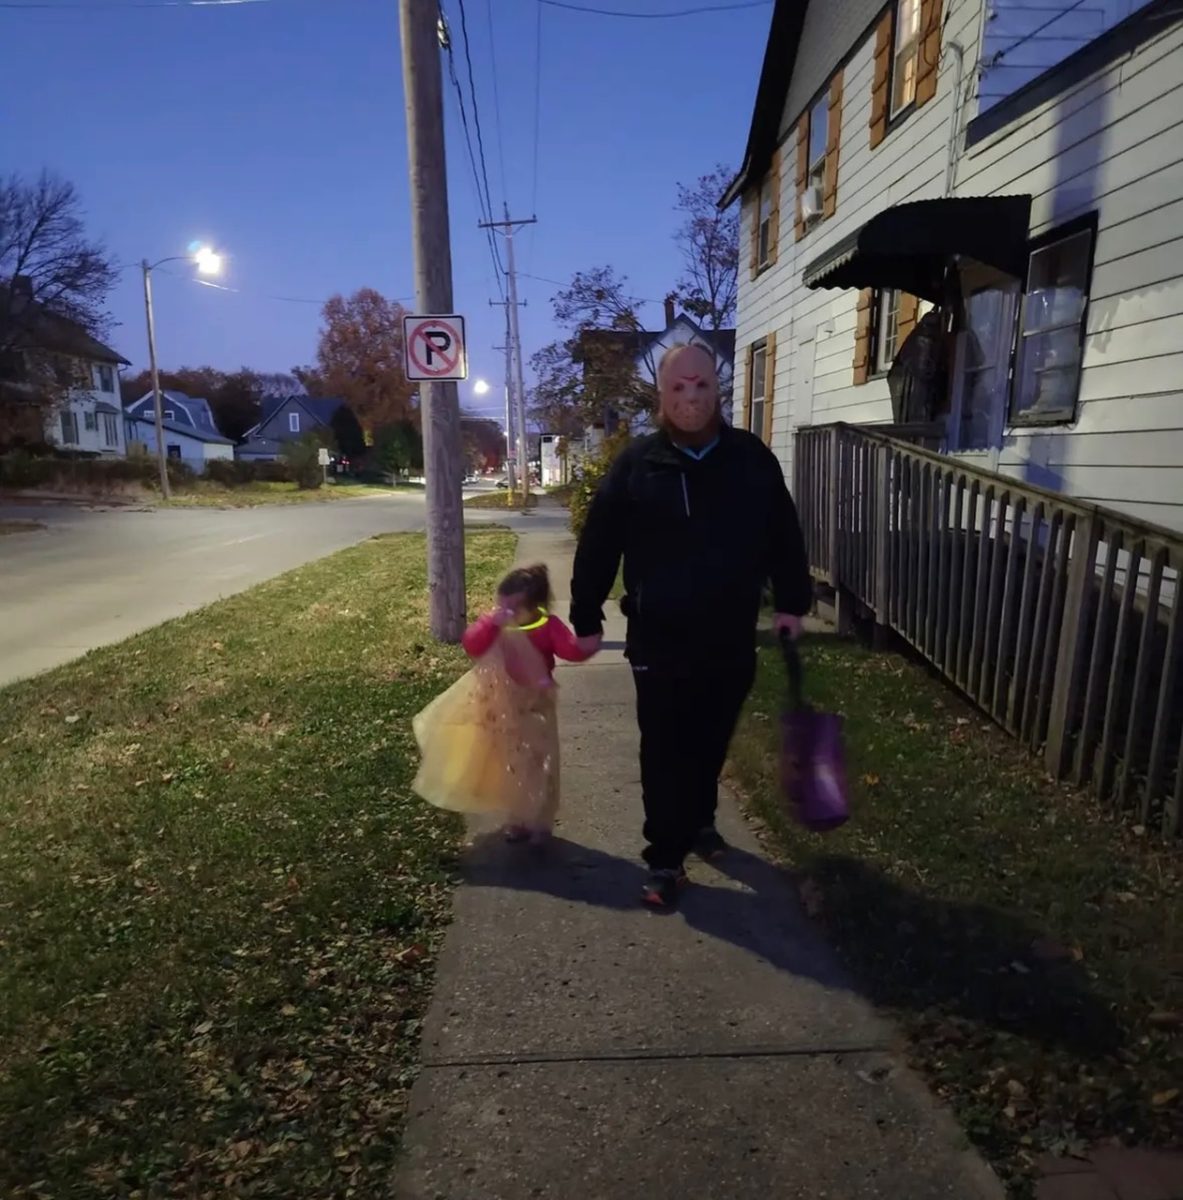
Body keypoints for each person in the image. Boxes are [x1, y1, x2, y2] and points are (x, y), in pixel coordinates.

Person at [569, 344, 812, 908]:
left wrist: (792, 603)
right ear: (661, 395)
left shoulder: (750, 459)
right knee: (664, 746)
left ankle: (700, 821)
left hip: (729, 636)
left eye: (700, 385)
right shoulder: (638, 465)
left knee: (709, 739)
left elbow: (784, 533)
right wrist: (585, 616)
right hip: (659, 637)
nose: (690, 397)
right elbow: (599, 545)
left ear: (717, 389)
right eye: (678, 388)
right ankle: (665, 858)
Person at [460, 564, 595, 844]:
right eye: (501, 606)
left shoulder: (548, 627)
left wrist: (586, 645)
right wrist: (490, 623)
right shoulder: (496, 625)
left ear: (534, 608)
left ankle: (541, 820)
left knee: (543, 762)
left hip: (538, 705)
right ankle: (518, 818)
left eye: (513, 608)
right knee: (512, 764)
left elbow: (569, 649)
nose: (505, 613)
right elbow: (472, 644)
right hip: (505, 705)